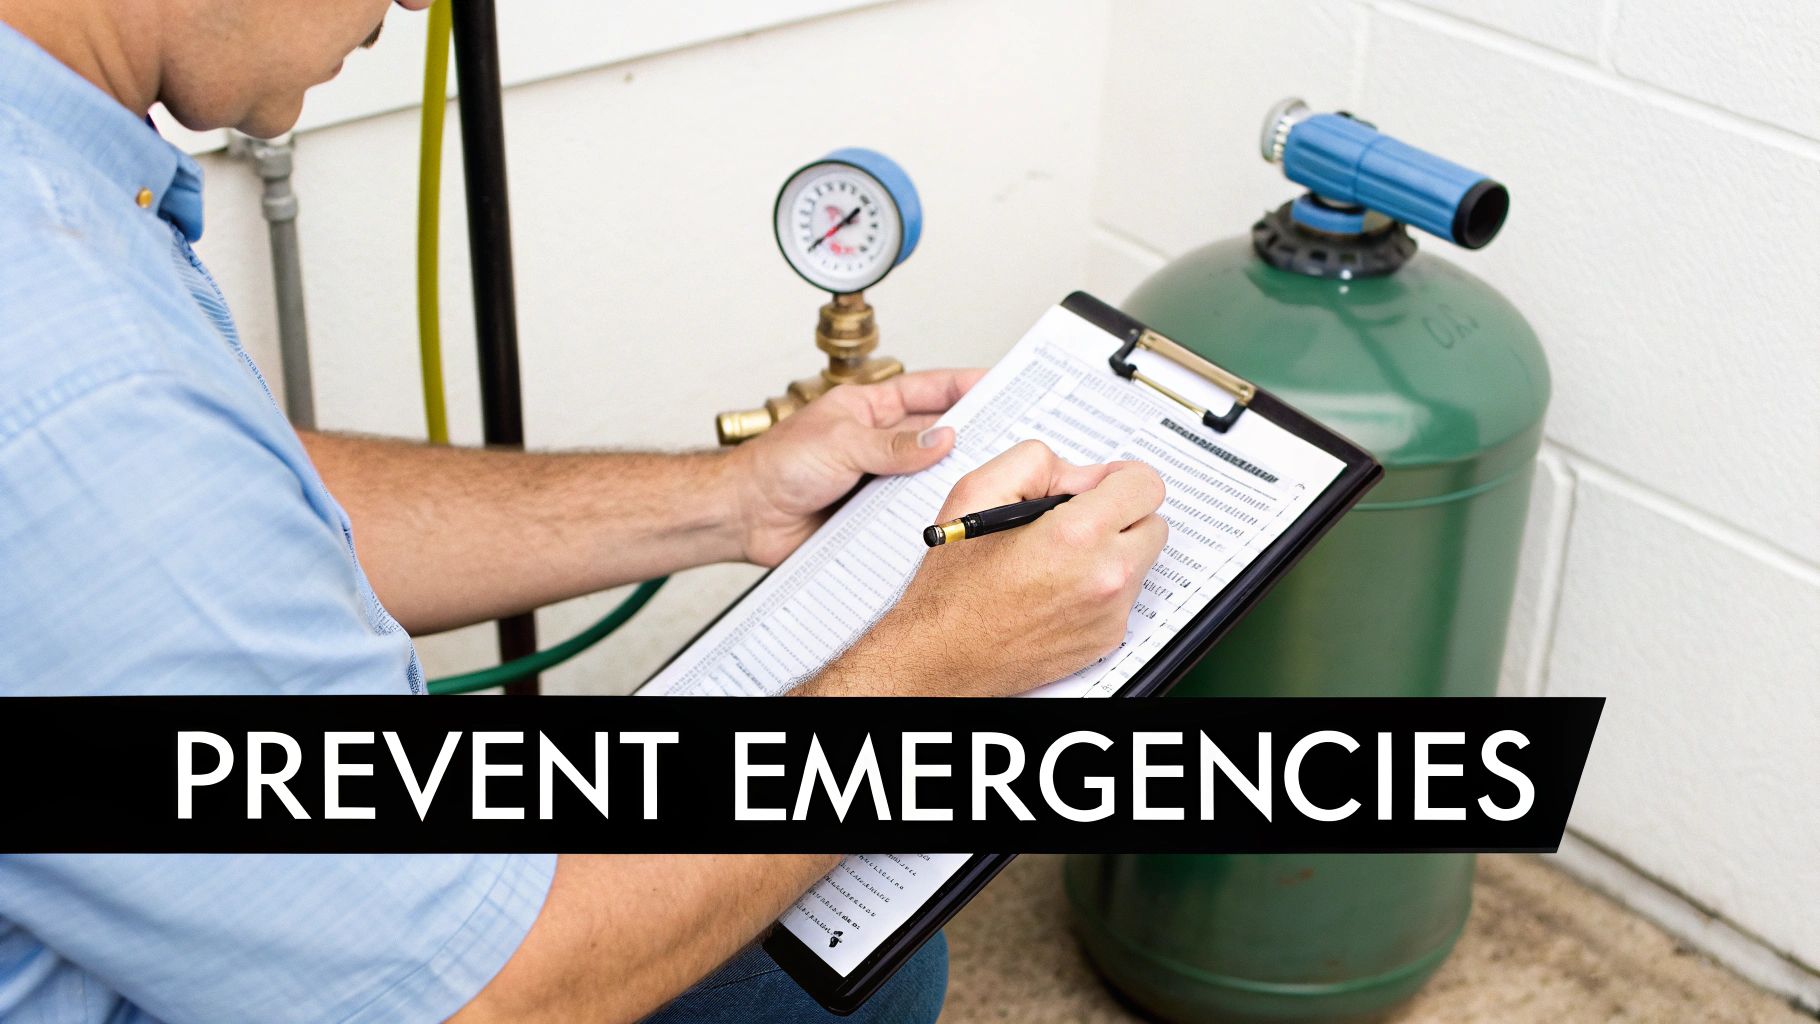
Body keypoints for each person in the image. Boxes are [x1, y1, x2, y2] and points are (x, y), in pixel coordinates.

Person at [0, 1, 1168, 1021]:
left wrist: (732, 496)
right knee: (819, 975)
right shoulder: (76, 381)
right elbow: (485, 996)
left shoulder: (54, 177)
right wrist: (937, 672)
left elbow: (243, 499)